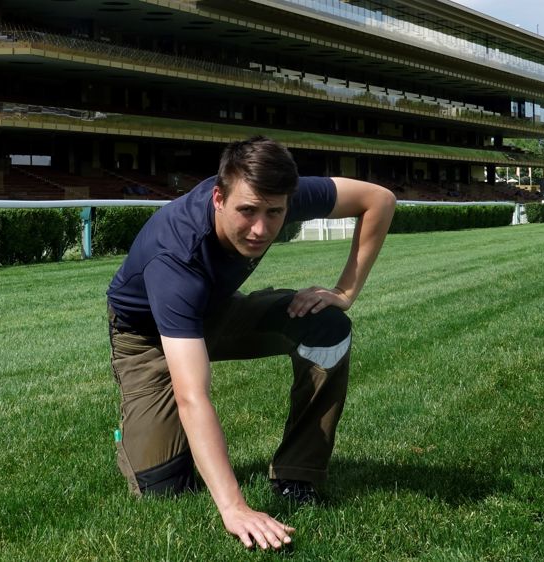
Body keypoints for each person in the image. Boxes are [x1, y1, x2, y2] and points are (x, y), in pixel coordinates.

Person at [106, 136, 396, 550]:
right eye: (247, 212)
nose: (261, 229)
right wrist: (234, 507)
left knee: (328, 327)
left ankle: (298, 474)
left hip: (219, 311)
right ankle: (135, 434)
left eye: (274, 213)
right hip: (147, 336)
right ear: (219, 198)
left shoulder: (279, 194)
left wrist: (346, 291)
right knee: (163, 490)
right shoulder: (176, 256)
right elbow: (193, 396)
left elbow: (379, 200)